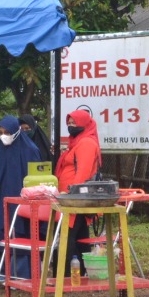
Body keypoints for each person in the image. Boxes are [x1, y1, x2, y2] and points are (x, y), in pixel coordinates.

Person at [0, 115, 43, 280]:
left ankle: (22, 275)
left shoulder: (30, 150)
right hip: (1, 199)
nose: (3, 135)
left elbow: (36, 179)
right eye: (0, 132)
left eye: (7, 132)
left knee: (21, 234)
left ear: (16, 131)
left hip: (22, 201)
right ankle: (1, 274)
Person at [55, 109, 103, 261]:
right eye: (68, 123)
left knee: (68, 237)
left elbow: (83, 173)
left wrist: (71, 195)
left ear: (84, 123)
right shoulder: (76, 142)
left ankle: (64, 277)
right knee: (80, 237)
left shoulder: (86, 142)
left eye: (74, 122)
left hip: (75, 199)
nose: (70, 126)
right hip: (72, 198)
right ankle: (80, 274)